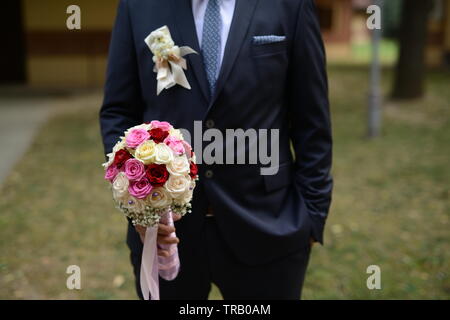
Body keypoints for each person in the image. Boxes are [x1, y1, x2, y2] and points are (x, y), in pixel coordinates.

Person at [100, 0, 333, 300]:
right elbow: (118, 112)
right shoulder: (138, 6)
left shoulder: (291, 5)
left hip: (269, 226)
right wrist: (139, 205)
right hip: (163, 234)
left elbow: (312, 121)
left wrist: (312, 217)